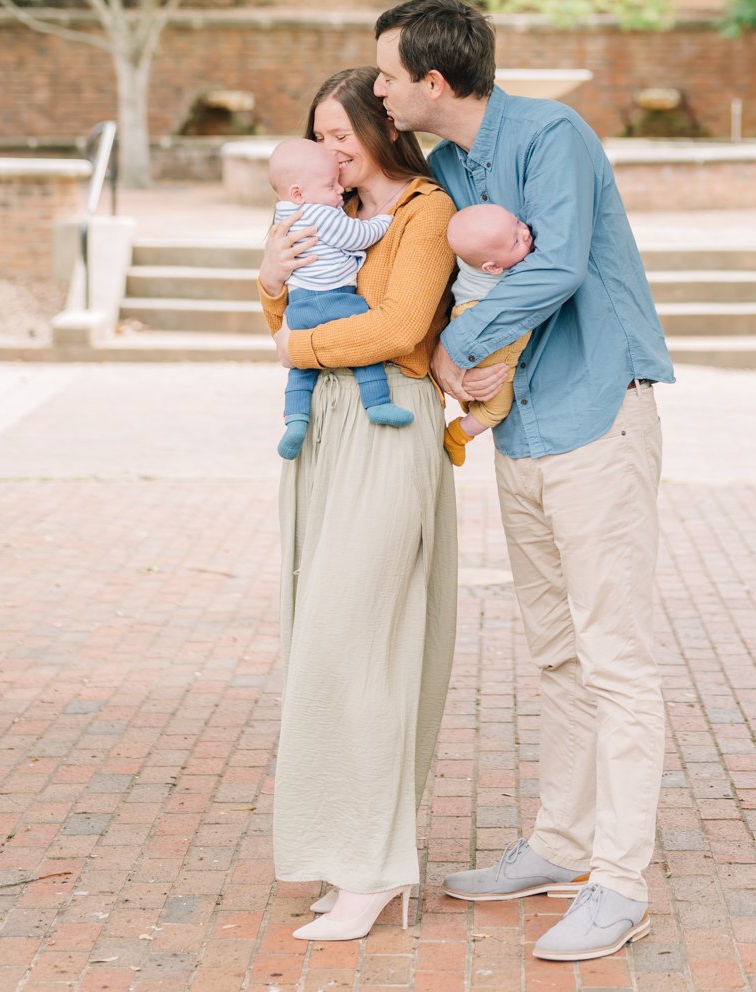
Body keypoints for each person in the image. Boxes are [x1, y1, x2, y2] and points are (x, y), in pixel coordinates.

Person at [372, 0, 676, 966]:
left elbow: (558, 268)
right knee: (555, 649)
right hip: (522, 429)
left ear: (432, 79)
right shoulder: (450, 166)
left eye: (386, 73)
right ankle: (560, 841)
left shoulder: (552, 132)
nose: (378, 87)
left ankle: (618, 880)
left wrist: (456, 342)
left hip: (596, 411)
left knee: (614, 652)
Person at [256, 66, 509, 946]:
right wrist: (268, 280)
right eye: (318, 134)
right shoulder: (323, 214)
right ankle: (347, 856)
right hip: (321, 432)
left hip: (387, 430)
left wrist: (298, 341)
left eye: (340, 133)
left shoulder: (424, 212)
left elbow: (399, 330)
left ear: (379, 127)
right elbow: (279, 320)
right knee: (317, 647)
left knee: (360, 644)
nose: (329, 149)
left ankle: (373, 867)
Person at [267, 134, 408, 458]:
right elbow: (355, 236)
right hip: (335, 298)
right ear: (299, 193)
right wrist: (384, 221)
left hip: (299, 306)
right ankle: (378, 404)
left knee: (301, 371)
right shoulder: (319, 214)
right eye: (331, 186)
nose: (340, 190)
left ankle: (296, 420)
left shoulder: (283, 215)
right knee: (365, 350)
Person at [441, 201, 534, 466]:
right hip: (480, 318)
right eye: (516, 242)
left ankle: (470, 403)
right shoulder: (503, 272)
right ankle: (457, 435)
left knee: (482, 382)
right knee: (497, 408)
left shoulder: (475, 253)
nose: (526, 233)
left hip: (464, 313)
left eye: (517, 222)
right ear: (492, 268)